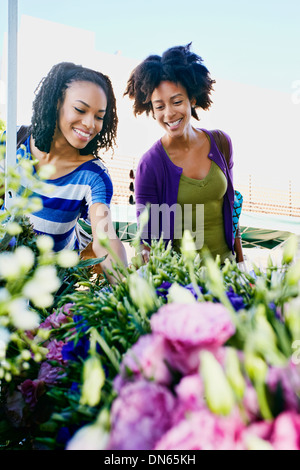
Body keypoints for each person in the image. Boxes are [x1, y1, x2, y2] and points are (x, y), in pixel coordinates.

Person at [1, 62, 127, 283]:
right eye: (80, 110)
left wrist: (127, 290)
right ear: (57, 103)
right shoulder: (12, 142)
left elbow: (105, 239)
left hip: (51, 290)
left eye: (99, 116)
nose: (90, 124)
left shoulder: (94, 176)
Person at [124, 43, 243, 264]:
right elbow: (147, 240)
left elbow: (232, 212)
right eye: (159, 106)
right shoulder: (150, 165)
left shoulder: (221, 143)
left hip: (228, 273)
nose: (169, 114)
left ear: (193, 99)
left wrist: (242, 264)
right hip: (181, 279)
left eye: (177, 101)